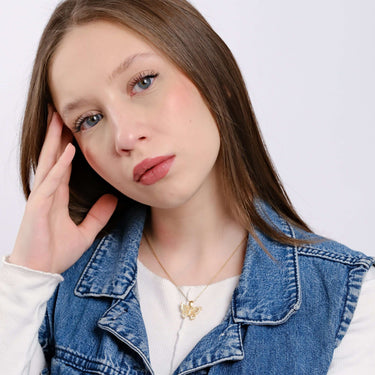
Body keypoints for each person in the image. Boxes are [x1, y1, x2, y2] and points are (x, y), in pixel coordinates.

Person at [0, 0, 374, 374]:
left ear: (215, 76)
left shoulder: (348, 300)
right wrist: (26, 277)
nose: (126, 136)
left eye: (143, 82)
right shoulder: (51, 291)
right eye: (90, 119)